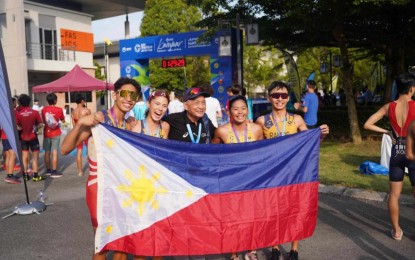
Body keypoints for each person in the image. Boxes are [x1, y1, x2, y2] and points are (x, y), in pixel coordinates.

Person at [61, 77, 141, 260]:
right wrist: (80, 123)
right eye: (124, 93)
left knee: (123, 243)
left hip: (123, 189)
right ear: (115, 95)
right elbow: (65, 149)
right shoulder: (98, 119)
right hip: (99, 188)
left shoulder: (131, 124)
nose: (129, 98)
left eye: (133, 95)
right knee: (102, 245)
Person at [256, 81, 329, 260]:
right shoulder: (261, 120)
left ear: (288, 98)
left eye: (283, 96)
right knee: (274, 211)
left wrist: (321, 135)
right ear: (269, 97)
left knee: (294, 210)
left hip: (294, 173)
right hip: (272, 174)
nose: (279, 99)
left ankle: (294, 249)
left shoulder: (296, 119)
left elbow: (310, 143)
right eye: (275, 95)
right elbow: (255, 149)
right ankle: (274, 247)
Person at [364, 73, 415, 241]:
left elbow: (367, 124)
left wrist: (386, 131)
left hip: (397, 151)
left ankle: (397, 231)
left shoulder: (388, 107)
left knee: (394, 194)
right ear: (411, 89)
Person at [211, 95, 263, 260]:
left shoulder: (256, 129)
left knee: (252, 216)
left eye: (243, 108)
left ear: (247, 110)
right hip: (231, 182)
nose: (240, 112)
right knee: (232, 218)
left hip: (252, 180)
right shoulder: (222, 131)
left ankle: (251, 250)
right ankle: (233, 253)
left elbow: (263, 152)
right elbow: (213, 154)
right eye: (235, 109)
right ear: (229, 111)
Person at [16, 94, 44, 182]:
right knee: (35, 156)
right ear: (29, 102)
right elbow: (40, 124)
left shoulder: (18, 114)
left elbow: (17, 127)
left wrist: (22, 128)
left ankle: (25, 175)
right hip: (33, 137)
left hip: (24, 137)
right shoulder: (35, 112)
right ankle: (35, 175)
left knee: (24, 156)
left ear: (20, 103)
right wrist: (35, 128)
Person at [42, 93, 65, 178]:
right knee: (54, 151)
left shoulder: (44, 109)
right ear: (55, 100)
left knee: (47, 151)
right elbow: (63, 120)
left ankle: (48, 170)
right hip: (56, 132)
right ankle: (54, 171)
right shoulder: (59, 109)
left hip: (47, 132)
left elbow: (44, 121)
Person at [71, 94, 91, 176]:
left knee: (79, 152)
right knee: (91, 151)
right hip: (85, 132)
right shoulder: (86, 110)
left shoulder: (73, 112)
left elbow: (73, 125)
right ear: (82, 101)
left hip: (78, 133)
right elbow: (90, 122)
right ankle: (92, 169)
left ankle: (80, 172)